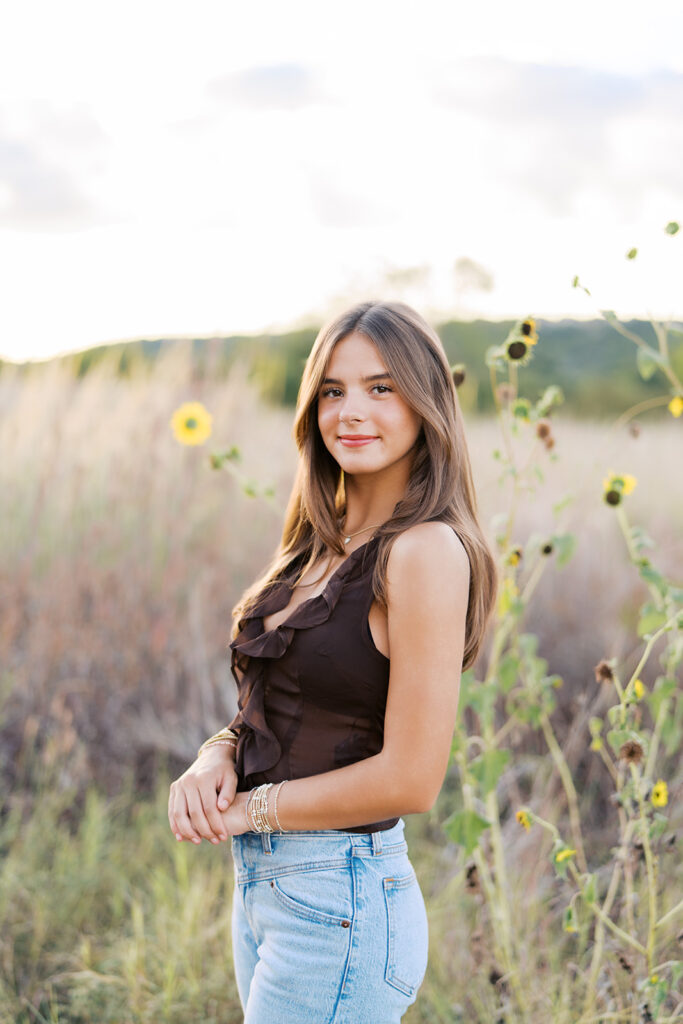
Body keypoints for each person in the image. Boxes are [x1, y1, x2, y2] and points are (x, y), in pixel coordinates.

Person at [168, 300, 497, 1022]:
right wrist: (216, 755)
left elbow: (411, 778)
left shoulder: (423, 552)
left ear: (426, 404)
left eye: (382, 388)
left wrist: (252, 810)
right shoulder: (318, 541)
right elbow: (288, 705)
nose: (351, 411)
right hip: (270, 890)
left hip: (340, 900)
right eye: (332, 389)